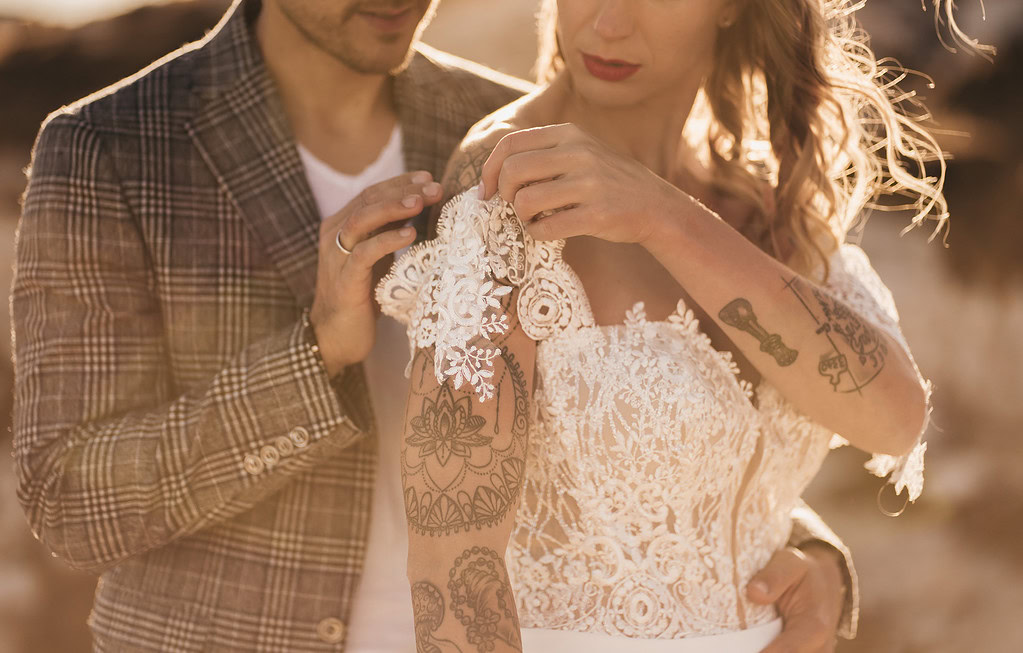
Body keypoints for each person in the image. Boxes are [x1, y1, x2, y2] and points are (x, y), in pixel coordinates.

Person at [12, 0, 854, 650]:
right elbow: (70, 501)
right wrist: (314, 358)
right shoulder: (109, 149)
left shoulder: (512, 131)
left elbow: (638, 409)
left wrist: (811, 555)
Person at [376, 0, 947, 651]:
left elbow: (893, 418)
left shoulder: (761, 197)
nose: (607, 24)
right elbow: (453, 564)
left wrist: (662, 215)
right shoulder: (512, 184)